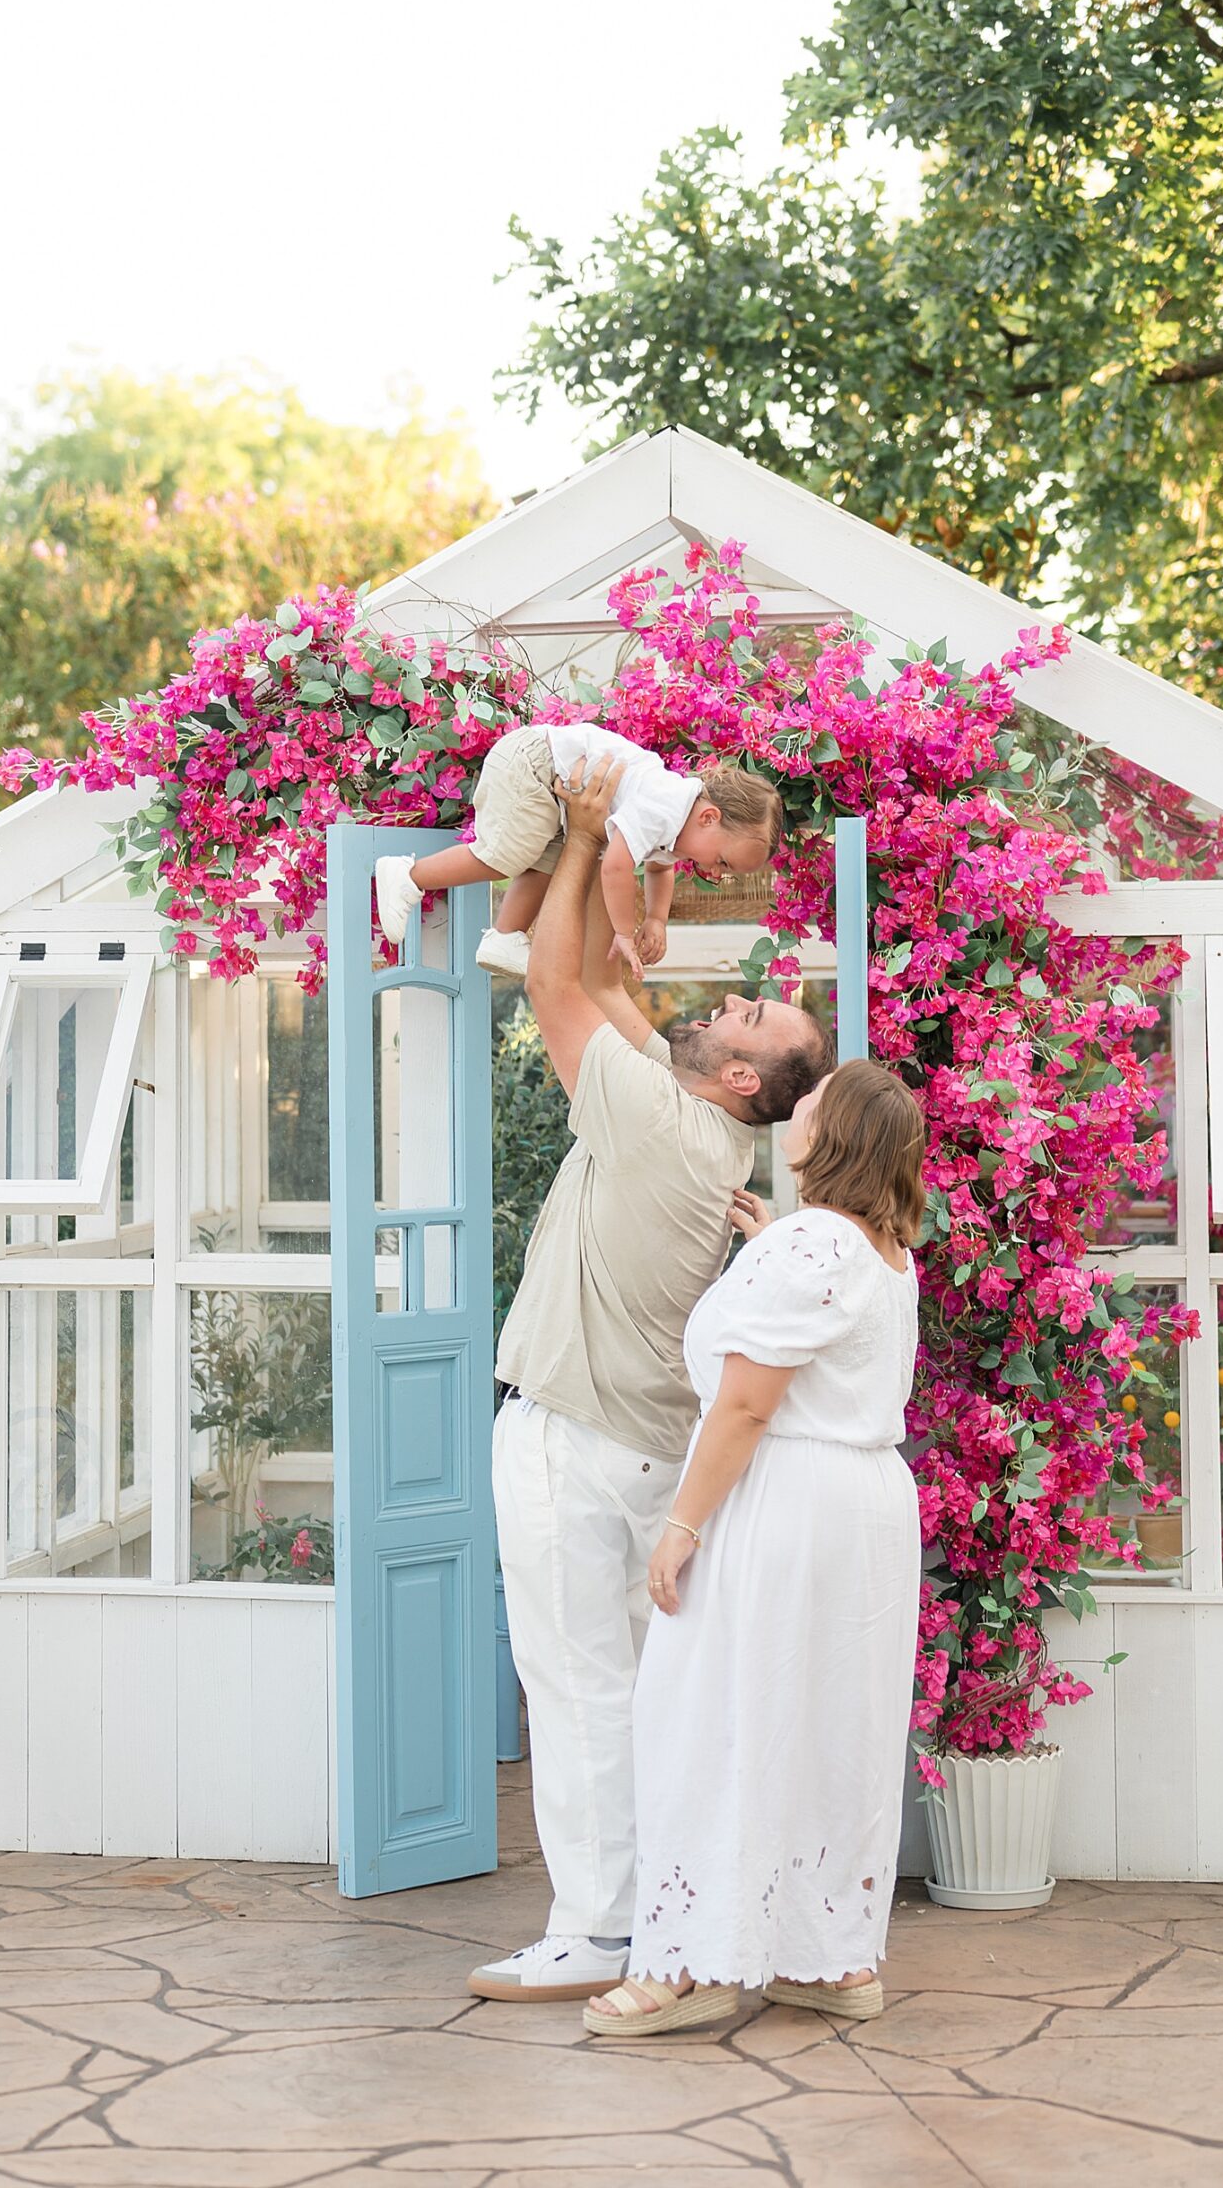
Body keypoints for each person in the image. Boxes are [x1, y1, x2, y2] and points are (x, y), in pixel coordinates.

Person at [469, 751, 834, 2005]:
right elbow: (626, 1010)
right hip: (634, 1453)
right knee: (619, 1688)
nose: (722, 1003)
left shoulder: (659, 1123)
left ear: (743, 1079)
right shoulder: (700, 1124)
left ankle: (600, 1930)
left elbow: (556, 985)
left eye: (742, 1020)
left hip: (575, 1445)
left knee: (575, 1688)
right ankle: (644, 1910)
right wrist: (637, 930)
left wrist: (576, 841)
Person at [584, 1059, 924, 2040]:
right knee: (826, 1727)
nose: (797, 1108)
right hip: (860, 1507)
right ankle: (833, 1959)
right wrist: (772, 1242)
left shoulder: (812, 1244)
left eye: (814, 1105)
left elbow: (745, 1403)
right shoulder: (883, 1250)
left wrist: (683, 1523)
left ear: (838, 1138)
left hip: (783, 1502)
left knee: (713, 1715)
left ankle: (684, 1961)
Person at [373, 723, 783, 981]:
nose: (715, 870)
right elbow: (617, 867)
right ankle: (408, 877)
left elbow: (659, 870)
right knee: (507, 856)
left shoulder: (677, 830)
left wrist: (657, 919)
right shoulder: (666, 802)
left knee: (547, 864)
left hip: (555, 797)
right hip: (534, 764)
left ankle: (506, 936)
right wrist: (624, 932)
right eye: (723, 860)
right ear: (709, 817)